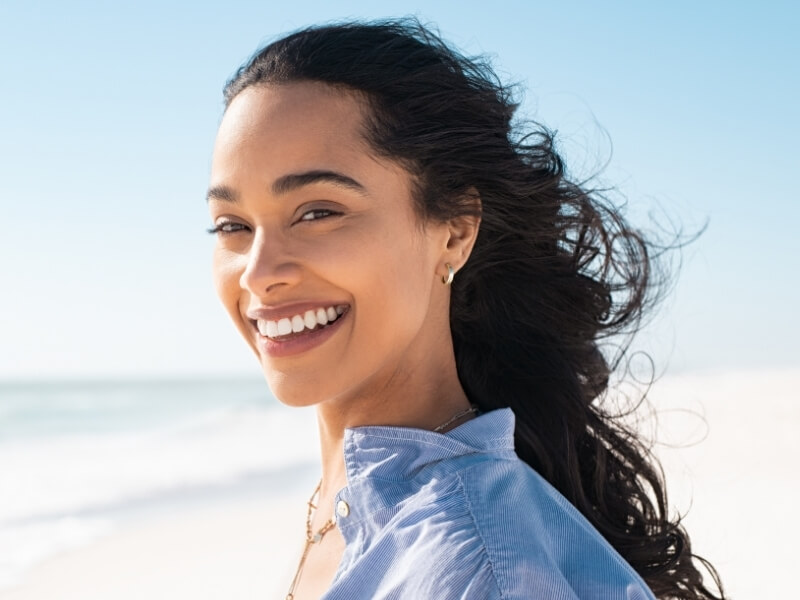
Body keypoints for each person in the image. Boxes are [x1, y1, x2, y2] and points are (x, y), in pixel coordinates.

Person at [207, 19, 725, 600]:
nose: (258, 271)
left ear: (454, 232)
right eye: (233, 225)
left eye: (319, 211)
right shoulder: (352, 505)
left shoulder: (477, 566)